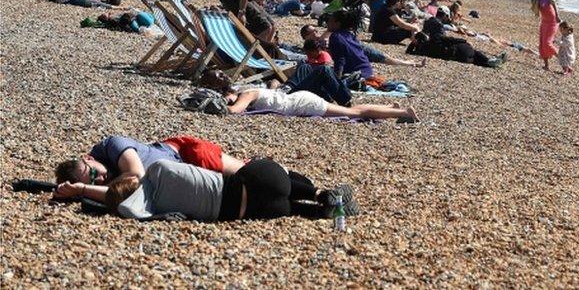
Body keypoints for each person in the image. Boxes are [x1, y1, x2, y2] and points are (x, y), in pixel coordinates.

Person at [105, 158, 356, 222]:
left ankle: (326, 213)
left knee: (290, 209)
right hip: (264, 181)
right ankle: (321, 194)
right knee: (283, 178)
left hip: (257, 212)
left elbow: (126, 208)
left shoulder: (152, 210)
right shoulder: (158, 170)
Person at [52, 135, 245, 203]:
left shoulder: (112, 145)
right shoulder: (102, 182)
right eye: (93, 182)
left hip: (185, 154)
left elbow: (136, 178)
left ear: (88, 158)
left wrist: (85, 190)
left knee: (248, 173)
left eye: (94, 173)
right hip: (182, 177)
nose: (100, 180)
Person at [224, 85, 417, 121]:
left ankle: (403, 113)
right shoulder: (251, 90)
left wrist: (226, 105)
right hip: (301, 100)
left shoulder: (246, 94)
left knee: (356, 114)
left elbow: (234, 111)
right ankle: (391, 108)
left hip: (305, 105)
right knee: (350, 110)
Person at [406, 7, 507, 68]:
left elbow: (409, 50)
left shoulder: (423, 44)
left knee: (473, 56)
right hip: (448, 53)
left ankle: (489, 62)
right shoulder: (437, 28)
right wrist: (463, 40)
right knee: (471, 51)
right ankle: (489, 61)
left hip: (446, 53)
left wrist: (414, 43)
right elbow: (443, 39)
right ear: (445, 15)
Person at [525, 0, 560, 70]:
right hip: (544, 20)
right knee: (542, 44)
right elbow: (536, 7)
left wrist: (557, 16)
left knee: (548, 43)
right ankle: (546, 65)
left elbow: (553, 3)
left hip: (552, 20)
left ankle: (564, 62)